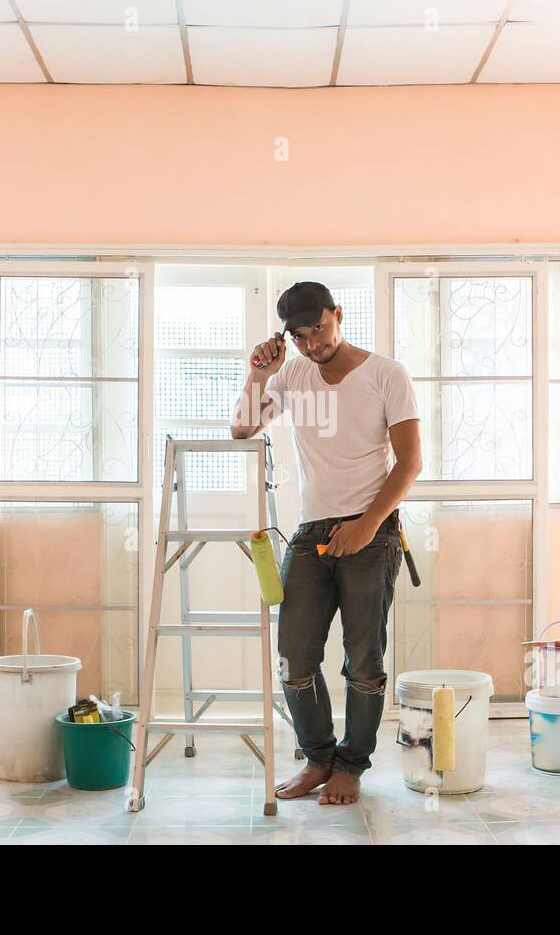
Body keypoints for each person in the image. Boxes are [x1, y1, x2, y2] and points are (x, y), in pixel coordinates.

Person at [230, 281, 421, 805]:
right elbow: (241, 429)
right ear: (287, 338)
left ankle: (351, 766)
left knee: (364, 660)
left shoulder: (386, 374)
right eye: (300, 336)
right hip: (312, 531)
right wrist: (259, 374)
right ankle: (317, 758)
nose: (313, 344)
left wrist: (365, 525)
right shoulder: (290, 374)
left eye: (319, 328)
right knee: (294, 655)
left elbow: (409, 462)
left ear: (339, 314)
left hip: (372, 530)